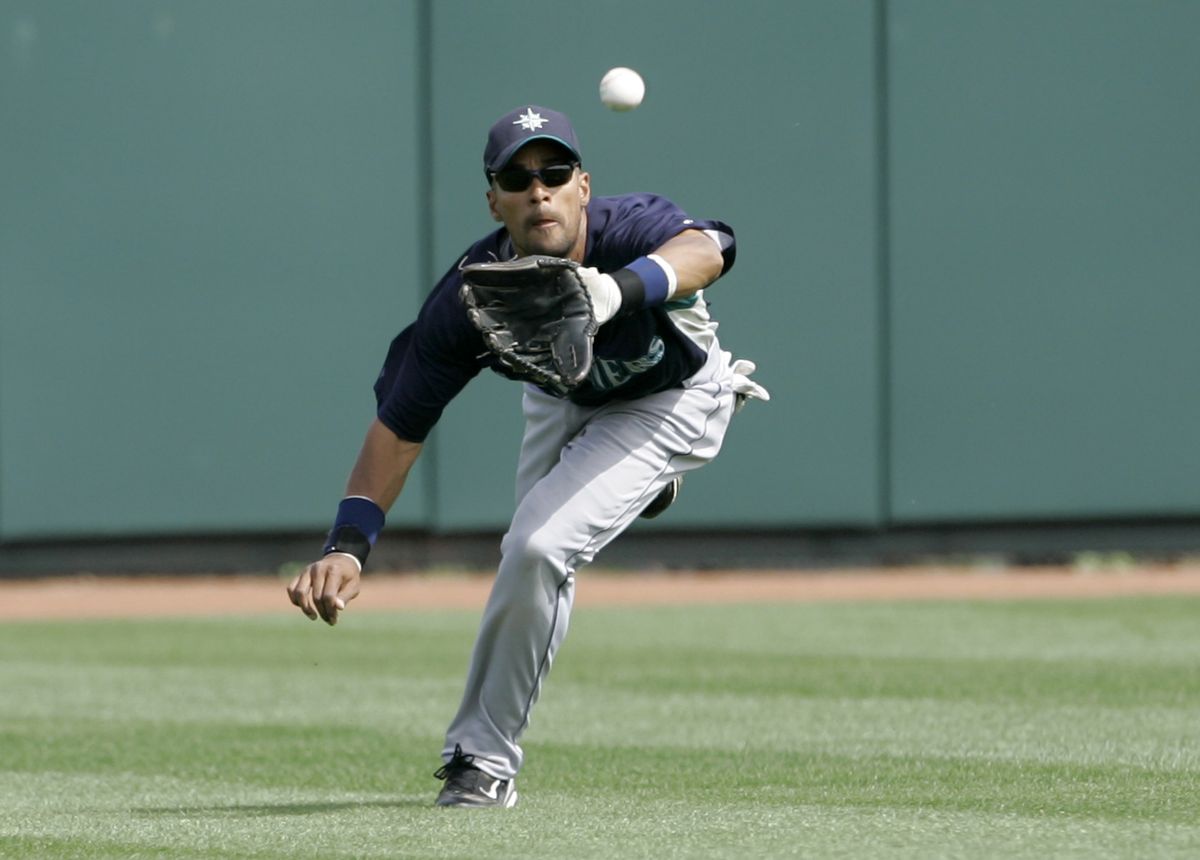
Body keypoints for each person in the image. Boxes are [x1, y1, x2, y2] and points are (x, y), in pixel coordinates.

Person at [286, 105, 767, 808]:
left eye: (555, 172)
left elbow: (712, 247)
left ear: (581, 185)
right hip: (565, 399)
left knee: (541, 545)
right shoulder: (473, 295)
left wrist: (614, 289)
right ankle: (637, 488)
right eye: (518, 177)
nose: (538, 190)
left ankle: (482, 762)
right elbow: (400, 427)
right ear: (494, 199)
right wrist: (349, 544)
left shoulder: (625, 226)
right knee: (528, 556)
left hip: (673, 395)